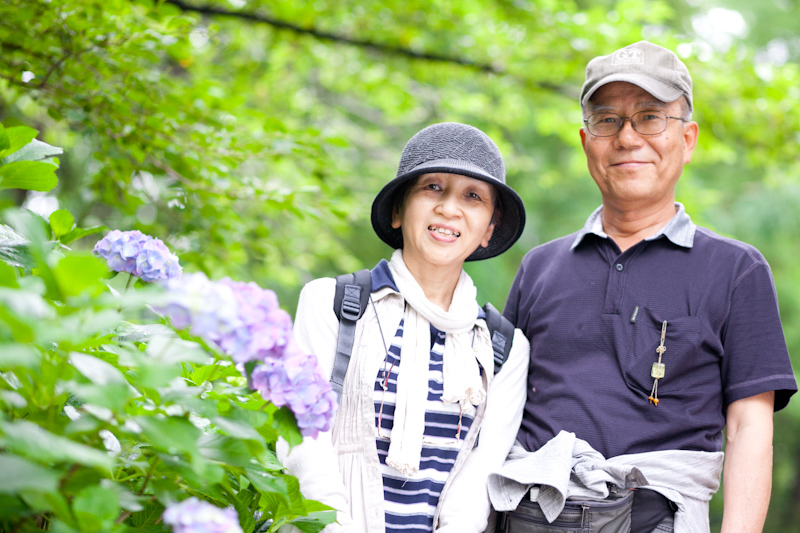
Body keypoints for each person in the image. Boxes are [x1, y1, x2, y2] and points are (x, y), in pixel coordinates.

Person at [496, 41, 797, 532]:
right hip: (530, 515)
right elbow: (500, 413)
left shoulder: (736, 269)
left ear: (688, 138)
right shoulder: (539, 267)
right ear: (585, 139)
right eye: (607, 119)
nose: (628, 137)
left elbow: (749, 428)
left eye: (651, 117)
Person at [278, 122, 531, 532]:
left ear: (488, 229)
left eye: (472, 196)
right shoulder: (331, 304)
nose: (449, 208)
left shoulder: (503, 347)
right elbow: (305, 443)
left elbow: (475, 486)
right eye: (432, 187)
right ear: (398, 210)